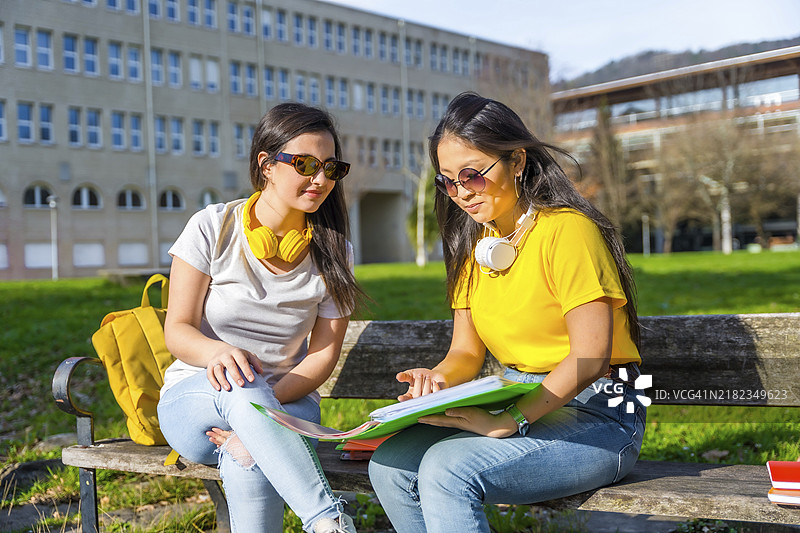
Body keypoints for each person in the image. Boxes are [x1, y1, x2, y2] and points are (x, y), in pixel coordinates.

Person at [368, 92, 646, 533]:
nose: (460, 194)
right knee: (390, 465)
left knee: (447, 469)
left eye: (472, 175)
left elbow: (591, 356)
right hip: (519, 397)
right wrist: (436, 381)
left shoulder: (568, 231)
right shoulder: (475, 246)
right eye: (447, 181)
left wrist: (512, 420)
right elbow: (464, 352)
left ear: (517, 161)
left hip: (601, 412)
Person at [157, 102, 362, 533]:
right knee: (242, 384)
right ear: (266, 164)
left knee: (248, 455)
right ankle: (327, 520)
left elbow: (321, 358)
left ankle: (317, 513)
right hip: (198, 402)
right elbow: (177, 330)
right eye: (305, 164)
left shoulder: (336, 252)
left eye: (331, 167)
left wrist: (259, 413)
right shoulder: (212, 226)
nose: (320, 179)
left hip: (289, 401)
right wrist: (220, 353)